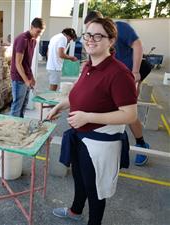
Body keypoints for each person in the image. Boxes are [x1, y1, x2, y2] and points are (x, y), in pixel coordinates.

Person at [48, 18, 137, 225]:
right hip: (81, 138)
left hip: (100, 143)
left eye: (98, 36)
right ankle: (75, 211)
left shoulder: (119, 73)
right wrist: (60, 106)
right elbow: (81, 96)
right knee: (80, 179)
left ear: (111, 41)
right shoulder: (89, 65)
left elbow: (129, 114)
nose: (90, 40)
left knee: (96, 189)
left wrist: (88, 117)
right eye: (88, 35)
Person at [84, 10, 150, 166]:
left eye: (94, 32)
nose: (91, 37)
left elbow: (138, 46)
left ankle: (141, 143)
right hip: (115, 75)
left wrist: (135, 71)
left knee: (127, 111)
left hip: (131, 72)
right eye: (88, 33)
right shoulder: (97, 40)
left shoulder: (120, 27)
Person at [10, 17, 45, 117]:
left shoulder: (33, 40)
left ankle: (19, 126)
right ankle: (11, 129)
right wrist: (26, 80)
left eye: (40, 33)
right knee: (17, 106)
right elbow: (18, 63)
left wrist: (32, 77)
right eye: (37, 32)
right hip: (18, 77)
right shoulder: (22, 39)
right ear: (31, 27)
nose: (38, 35)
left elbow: (27, 62)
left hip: (26, 76)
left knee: (23, 105)